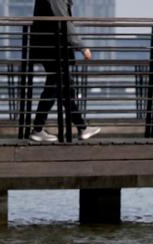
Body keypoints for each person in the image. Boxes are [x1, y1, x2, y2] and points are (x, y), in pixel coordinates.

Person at [28, 0, 99, 142]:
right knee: (54, 87)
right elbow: (64, 22)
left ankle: (81, 127)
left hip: (50, 47)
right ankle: (37, 129)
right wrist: (82, 47)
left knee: (65, 89)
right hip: (53, 48)